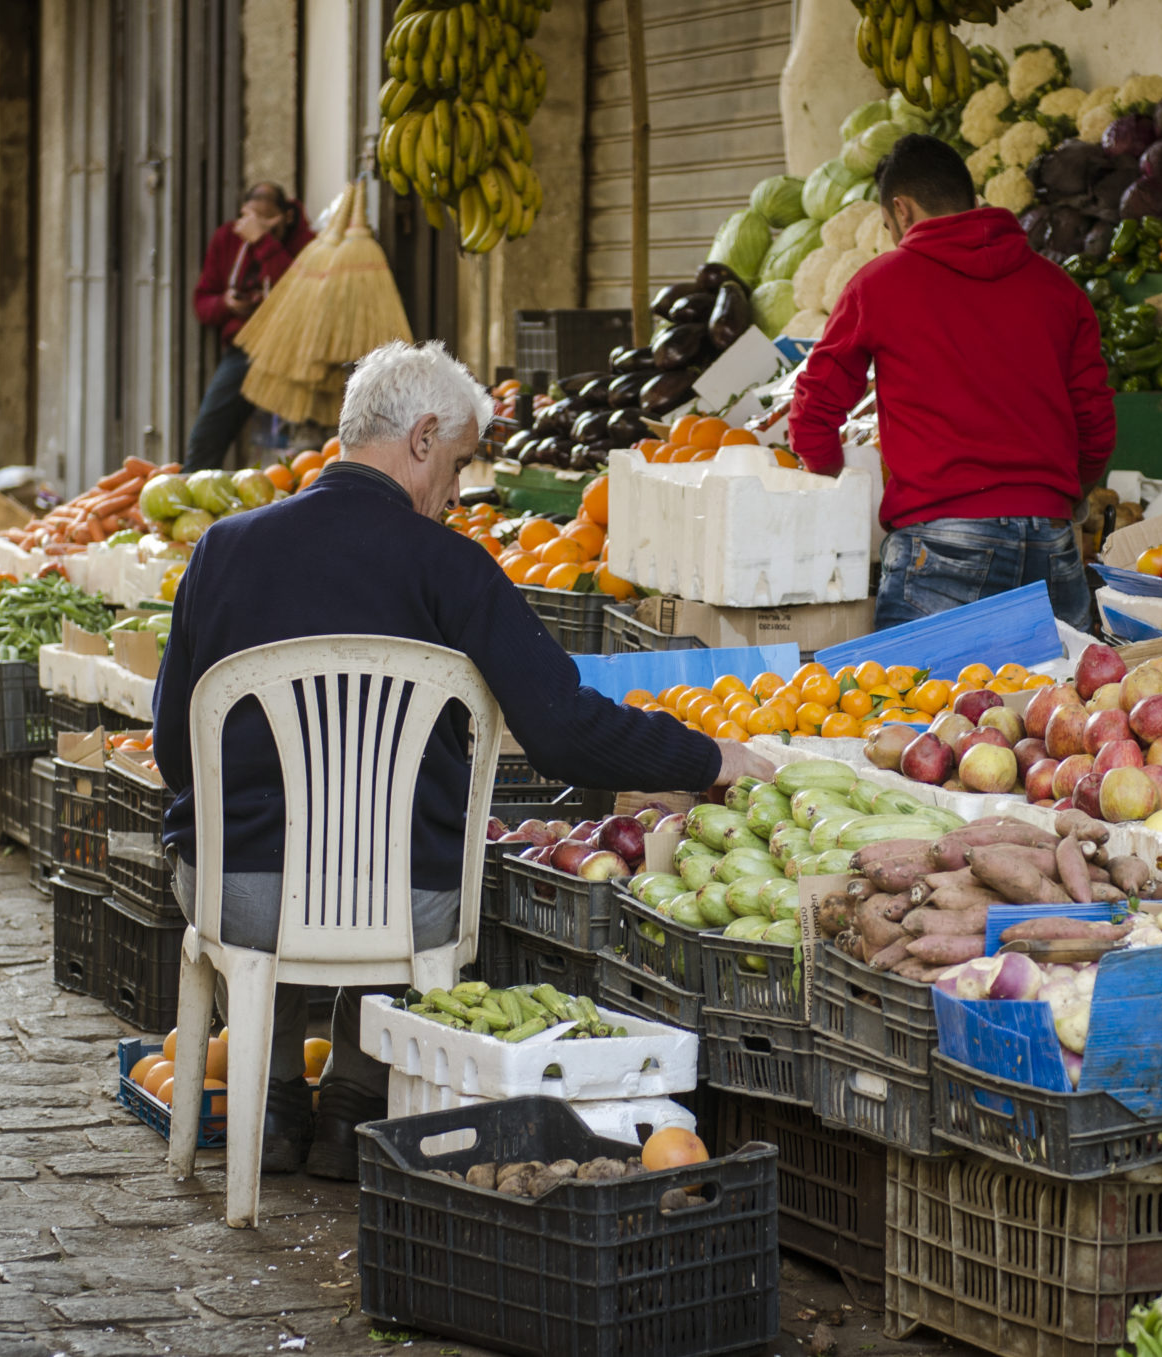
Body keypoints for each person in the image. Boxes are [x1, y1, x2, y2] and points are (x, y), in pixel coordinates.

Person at [150, 340, 778, 1179]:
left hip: (242, 897)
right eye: (456, 465)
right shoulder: (454, 567)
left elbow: (169, 751)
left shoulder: (223, 548)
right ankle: (351, 1101)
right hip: (404, 905)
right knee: (395, 857)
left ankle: (274, 1101)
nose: (454, 492)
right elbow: (563, 730)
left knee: (270, 851)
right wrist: (709, 756)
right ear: (422, 436)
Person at [785, 133, 1115, 634]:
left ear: (902, 209)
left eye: (888, 225)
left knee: (923, 708)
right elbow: (1096, 426)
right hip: (1050, 543)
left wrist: (837, 480)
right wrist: (1060, 500)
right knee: (1051, 707)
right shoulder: (1058, 289)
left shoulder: (878, 285)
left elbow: (812, 416)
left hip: (940, 544)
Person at [184, 182, 317, 473]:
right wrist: (227, 304)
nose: (257, 230)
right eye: (252, 223)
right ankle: (188, 485)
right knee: (209, 431)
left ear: (287, 217)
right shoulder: (227, 238)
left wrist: (264, 242)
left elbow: (294, 294)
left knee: (302, 444)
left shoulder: (307, 243)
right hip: (245, 349)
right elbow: (202, 302)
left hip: (295, 348)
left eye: (269, 224)